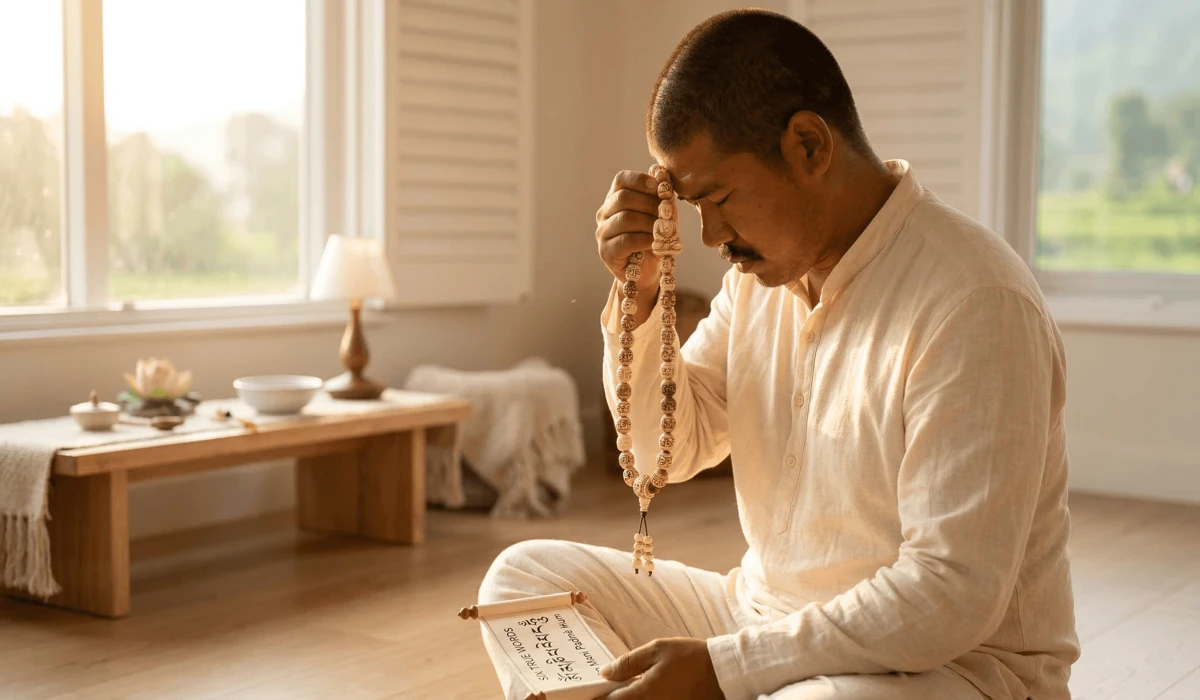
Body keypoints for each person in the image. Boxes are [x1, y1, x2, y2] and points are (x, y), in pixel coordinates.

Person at [479, 8, 1079, 699]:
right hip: (761, 619)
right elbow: (662, 456)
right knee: (524, 582)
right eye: (691, 204)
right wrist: (640, 302)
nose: (708, 237)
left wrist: (727, 670)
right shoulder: (757, 285)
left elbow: (949, 595)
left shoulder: (977, 300)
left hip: (950, 671)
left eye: (719, 197)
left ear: (809, 145)